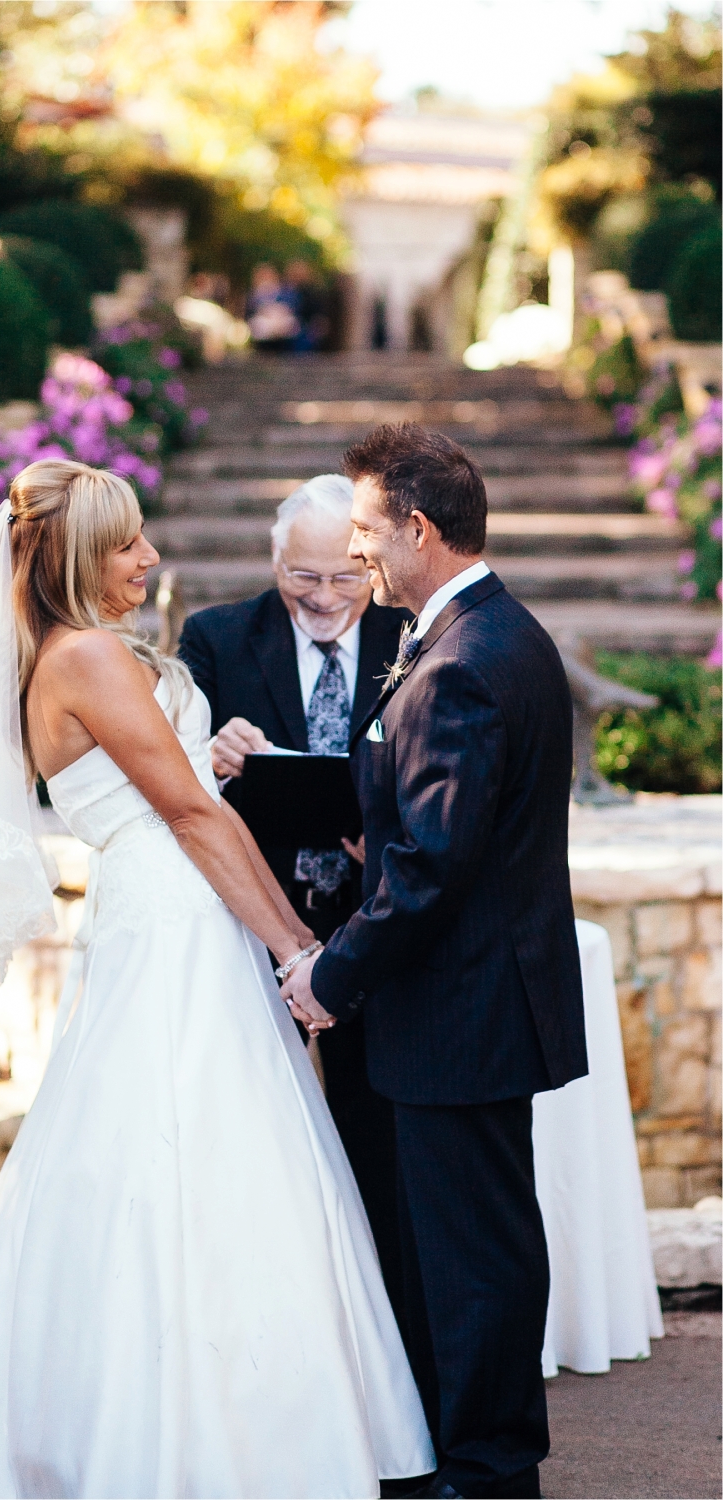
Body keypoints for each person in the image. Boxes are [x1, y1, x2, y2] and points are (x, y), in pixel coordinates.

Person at [0, 458, 434, 1499]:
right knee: (189, 1154)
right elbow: (194, 820)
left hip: (175, 912)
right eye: (128, 544)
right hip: (172, 924)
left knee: (186, 1151)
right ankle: (194, 1436)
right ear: (82, 557)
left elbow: (188, 799)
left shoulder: (79, 656)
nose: (150, 558)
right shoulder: (84, 658)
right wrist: (297, 953)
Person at [281, 424, 588, 1500]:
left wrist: (330, 974)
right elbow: (440, 829)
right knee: (467, 1248)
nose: (358, 549)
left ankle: (491, 1472)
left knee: (476, 1260)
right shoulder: (475, 633)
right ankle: (473, 1455)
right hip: (466, 1003)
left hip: (461, 1011)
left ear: (417, 528)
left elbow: (430, 871)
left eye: (367, 528)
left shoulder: (463, 658)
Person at [178, 476, 412, 1293]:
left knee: (373, 1136)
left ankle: (379, 1308)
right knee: (249, 1133)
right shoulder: (213, 637)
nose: (321, 597)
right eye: (300, 578)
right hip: (253, 918)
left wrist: (384, 837)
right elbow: (171, 784)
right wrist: (208, 751)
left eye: (343, 578)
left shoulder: (410, 636)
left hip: (373, 921)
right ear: (274, 561)